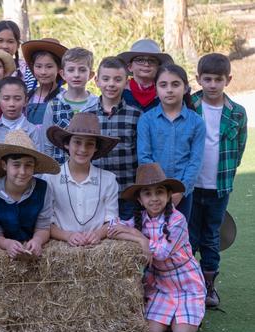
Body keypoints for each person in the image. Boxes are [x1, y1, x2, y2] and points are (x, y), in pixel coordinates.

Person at [108, 163, 205, 332]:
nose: (154, 198)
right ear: (139, 199)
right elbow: (113, 227)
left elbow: (161, 253)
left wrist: (140, 238)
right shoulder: (140, 219)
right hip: (161, 285)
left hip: (187, 283)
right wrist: (138, 237)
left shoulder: (177, 220)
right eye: (147, 193)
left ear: (169, 195)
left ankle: (187, 316)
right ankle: (173, 318)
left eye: (159, 192)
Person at [190, 53, 248, 308]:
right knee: (189, 236)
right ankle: (186, 283)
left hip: (219, 186)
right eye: (207, 79)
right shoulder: (190, 105)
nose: (212, 84)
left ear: (228, 80)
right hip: (191, 185)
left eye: (218, 79)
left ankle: (208, 285)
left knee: (211, 237)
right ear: (198, 79)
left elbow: (240, 148)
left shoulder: (236, 113)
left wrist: (228, 174)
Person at [0, 130, 60, 259]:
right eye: (16, 165)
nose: (22, 172)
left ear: (34, 166)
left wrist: (37, 241)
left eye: (28, 165)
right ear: (4, 165)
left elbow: (43, 226)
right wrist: (6, 243)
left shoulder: (43, 189)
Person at [137, 64, 205, 222]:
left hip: (182, 193)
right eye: (163, 85)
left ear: (186, 88)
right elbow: (144, 157)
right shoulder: (146, 120)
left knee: (179, 236)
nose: (169, 89)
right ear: (156, 89)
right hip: (153, 194)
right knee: (153, 238)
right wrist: (158, 191)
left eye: (175, 84)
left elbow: (195, 161)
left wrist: (181, 191)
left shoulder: (196, 122)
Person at [45, 113, 120, 246]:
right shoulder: (51, 179)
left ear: (96, 148)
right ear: (67, 144)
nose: (83, 149)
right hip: (61, 247)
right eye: (77, 142)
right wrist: (67, 236)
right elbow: (45, 222)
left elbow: (112, 220)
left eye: (90, 144)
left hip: (98, 248)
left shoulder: (108, 180)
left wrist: (97, 234)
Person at [94, 56, 142, 220]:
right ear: (97, 81)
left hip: (126, 192)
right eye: (105, 79)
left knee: (128, 239)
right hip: (96, 192)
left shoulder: (136, 115)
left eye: (117, 79)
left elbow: (141, 155)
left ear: (126, 82)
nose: (111, 84)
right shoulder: (88, 115)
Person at [41, 47, 99, 163]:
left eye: (82, 70)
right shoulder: (54, 105)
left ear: (91, 75)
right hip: (59, 170)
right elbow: (47, 145)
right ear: (63, 74)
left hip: (90, 169)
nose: (76, 75)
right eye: (71, 70)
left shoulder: (97, 104)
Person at [21, 38, 67, 127]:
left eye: (49, 67)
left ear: (58, 68)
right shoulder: (28, 97)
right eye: (38, 66)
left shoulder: (64, 98)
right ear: (32, 67)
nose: (43, 72)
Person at [117, 39, 174, 112]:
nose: (146, 64)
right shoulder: (120, 90)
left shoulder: (167, 91)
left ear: (159, 67)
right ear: (130, 67)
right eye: (140, 60)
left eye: (152, 61)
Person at [0, 76, 41, 148]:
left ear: (25, 101)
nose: (11, 104)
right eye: (6, 99)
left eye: (17, 99)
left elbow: (39, 157)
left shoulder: (33, 131)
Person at [0, 20, 37, 91]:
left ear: (18, 45)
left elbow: (30, 94)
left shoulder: (26, 69)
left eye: (10, 41)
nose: (5, 46)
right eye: (0, 40)